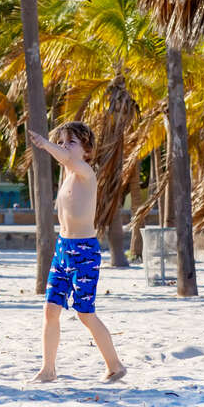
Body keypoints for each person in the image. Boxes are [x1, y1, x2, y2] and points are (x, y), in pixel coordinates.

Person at [28, 122, 127, 383]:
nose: (63, 148)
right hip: (63, 249)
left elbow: (67, 160)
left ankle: (115, 365)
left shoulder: (85, 172)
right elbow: (64, 161)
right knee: (50, 310)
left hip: (84, 251)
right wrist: (54, 147)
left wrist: (45, 143)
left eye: (70, 142)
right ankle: (48, 369)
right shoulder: (68, 176)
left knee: (85, 313)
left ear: (86, 150)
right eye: (61, 142)